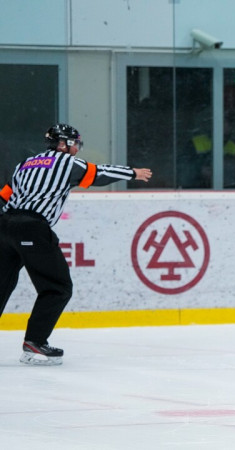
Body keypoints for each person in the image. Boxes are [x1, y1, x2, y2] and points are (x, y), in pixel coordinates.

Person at [0, 124, 152, 365]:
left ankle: (35, 342)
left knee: (2, 284)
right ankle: (35, 343)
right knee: (58, 286)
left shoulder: (25, 164)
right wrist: (133, 173)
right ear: (62, 144)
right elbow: (99, 173)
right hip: (32, 227)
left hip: (4, 226)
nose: (75, 148)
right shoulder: (66, 163)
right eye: (73, 143)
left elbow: (4, 196)